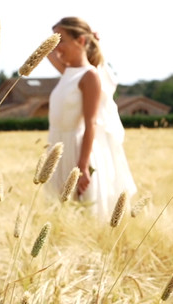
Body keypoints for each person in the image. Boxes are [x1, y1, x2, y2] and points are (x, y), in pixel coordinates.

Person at [46, 17, 137, 219]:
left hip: (77, 150)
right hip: (57, 147)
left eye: (61, 40)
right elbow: (45, 51)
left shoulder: (89, 76)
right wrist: (59, 38)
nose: (56, 46)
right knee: (58, 215)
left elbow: (91, 123)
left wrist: (83, 166)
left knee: (83, 213)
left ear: (80, 41)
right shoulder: (68, 72)